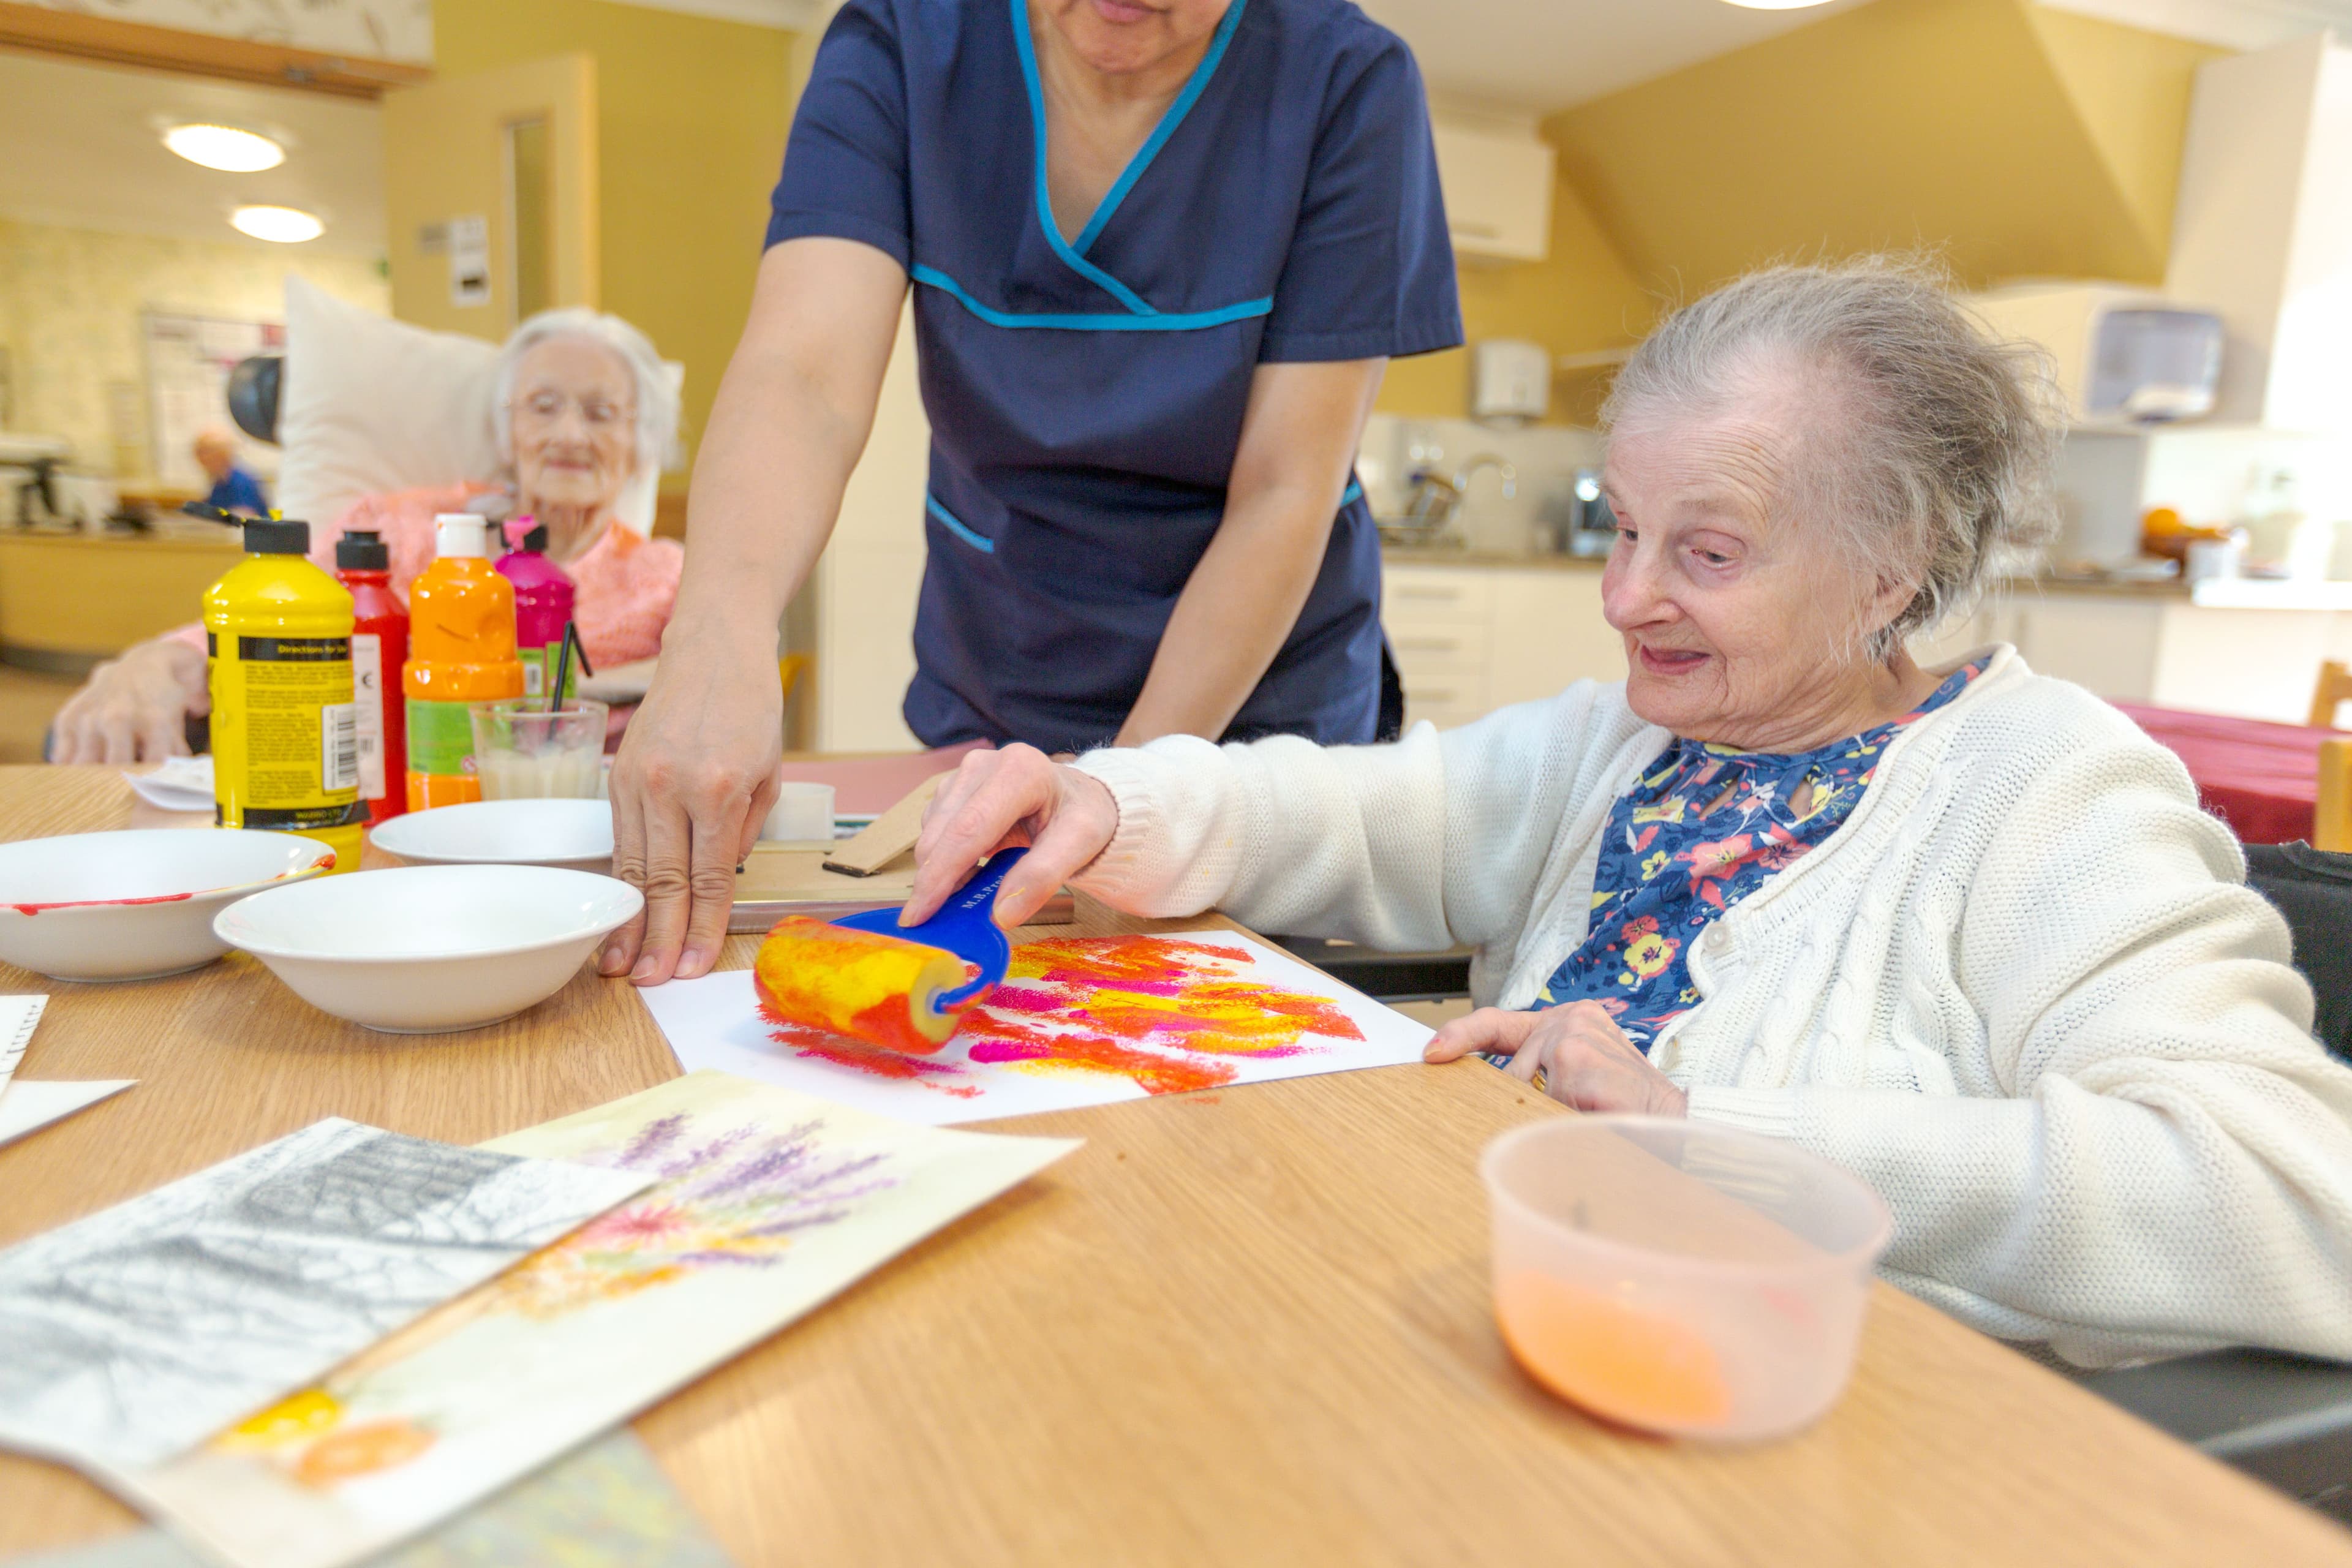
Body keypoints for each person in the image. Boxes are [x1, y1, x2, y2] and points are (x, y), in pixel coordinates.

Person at [900, 259, 2352, 1366]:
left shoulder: (2047, 789)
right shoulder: (1623, 742)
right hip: (1506, 1318)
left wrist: (1705, 1127)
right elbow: (1357, 807)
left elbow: (2281, 1195)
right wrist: (1105, 790)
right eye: (1625, 528)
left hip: (1821, 1417)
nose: (1625, 595)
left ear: (1889, 567)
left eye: (1704, 551)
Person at [602, 0, 1461, 985]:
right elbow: (803, 377)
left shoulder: (1348, 82)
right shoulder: (905, 42)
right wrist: (717, 637)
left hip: (1248, 709)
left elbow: (1282, 490)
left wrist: (1130, 798)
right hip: (1009, 657)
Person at [47, 309, 683, 764]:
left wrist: (555, 690)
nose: (570, 434)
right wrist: (159, 660)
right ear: (505, 429)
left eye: (601, 413)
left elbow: (714, 674)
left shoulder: (665, 573)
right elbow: (283, 612)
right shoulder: (397, 528)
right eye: (544, 405)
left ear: (641, 443)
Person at [193, 428, 268, 517]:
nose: (201, 460)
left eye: (203, 453)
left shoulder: (241, 482)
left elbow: (244, 516)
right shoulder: (219, 483)